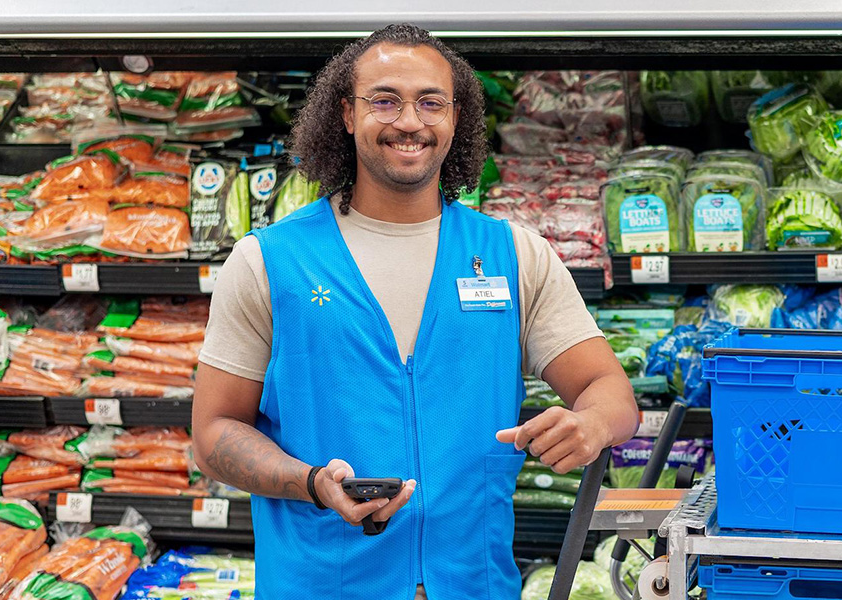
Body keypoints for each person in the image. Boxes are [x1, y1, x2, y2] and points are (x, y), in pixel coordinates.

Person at [192, 24, 639, 600]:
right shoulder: (267, 261)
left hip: (475, 585)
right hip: (322, 584)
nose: (410, 121)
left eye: (431, 102)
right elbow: (214, 435)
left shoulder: (514, 253)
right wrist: (310, 483)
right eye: (385, 100)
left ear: (457, 118)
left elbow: (609, 388)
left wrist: (591, 424)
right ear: (347, 114)